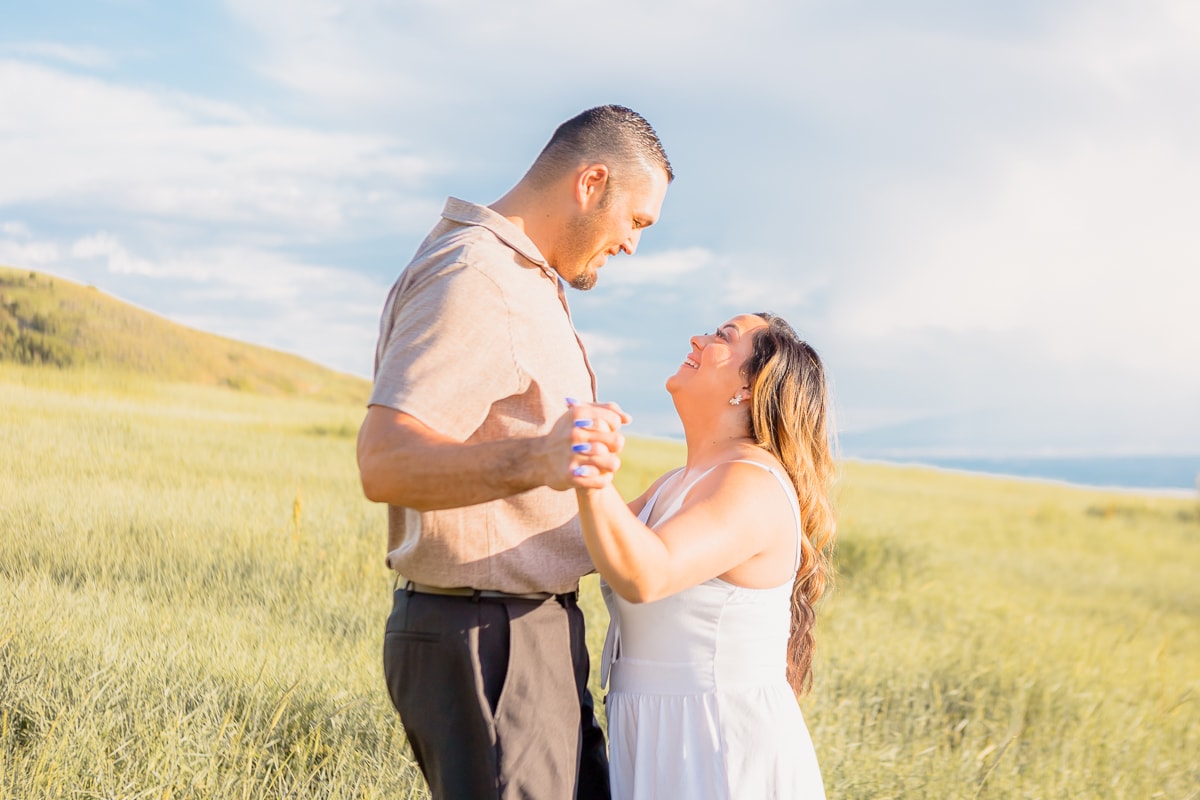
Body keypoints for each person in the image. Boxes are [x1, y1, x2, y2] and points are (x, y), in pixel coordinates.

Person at [356, 105, 673, 800]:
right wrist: (539, 460)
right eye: (637, 221)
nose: (631, 246)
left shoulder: (522, 279)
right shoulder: (477, 278)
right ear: (591, 183)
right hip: (489, 635)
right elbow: (383, 461)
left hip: (522, 632)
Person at [561, 312, 836, 799]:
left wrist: (589, 464)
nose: (698, 338)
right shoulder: (674, 483)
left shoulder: (751, 484)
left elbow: (647, 572)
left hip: (716, 747)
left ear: (750, 388)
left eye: (722, 338)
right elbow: (576, 544)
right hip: (657, 734)